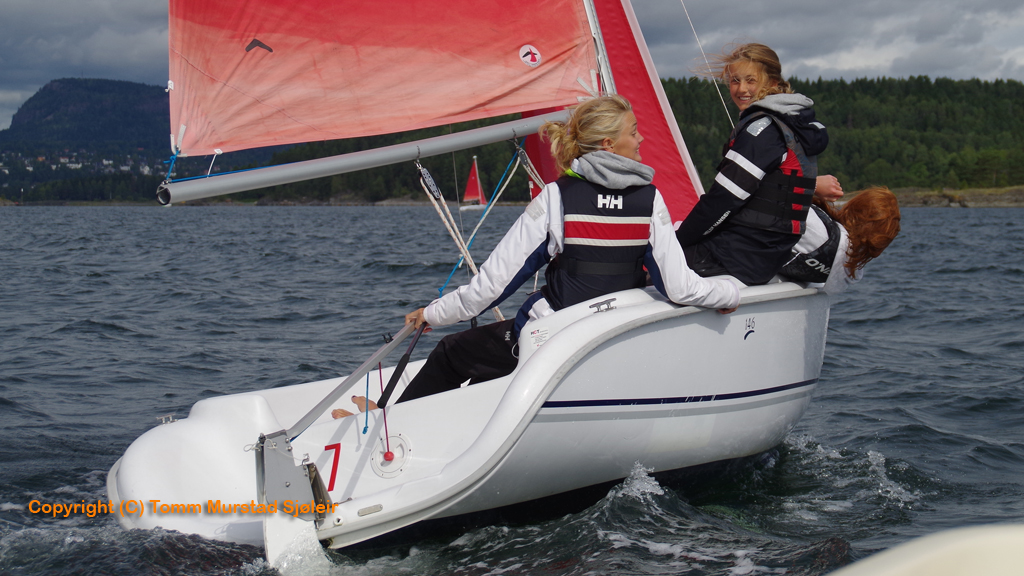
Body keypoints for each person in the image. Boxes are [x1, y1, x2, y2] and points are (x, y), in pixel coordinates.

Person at [334, 95, 741, 416]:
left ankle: (395, 421)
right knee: (485, 361)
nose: (641, 140)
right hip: (614, 339)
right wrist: (729, 292)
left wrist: (432, 314)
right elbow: (680, 288)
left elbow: (490, 289)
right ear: (609, 145)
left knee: (453, 351)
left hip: (554, 340)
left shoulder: (557, 198)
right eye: (634, 132)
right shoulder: (650, 201)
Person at [676, 43, 833, 286]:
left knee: (654, 262)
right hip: (769, 253)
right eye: (735, 81)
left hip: (741, 255)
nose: (741, 89)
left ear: (772, 82)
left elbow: (723, 201)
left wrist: (677, 242)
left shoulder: (762, 131)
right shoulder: (792, 123)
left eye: (751, 80)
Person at [781, 186, 901, 294]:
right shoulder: (847, 270)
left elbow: (776, 196)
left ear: (853, 208)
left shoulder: (819, 232)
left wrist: (814, 185)